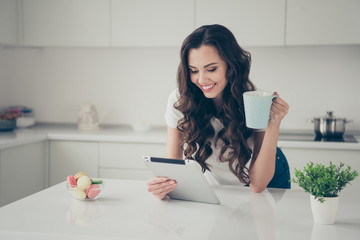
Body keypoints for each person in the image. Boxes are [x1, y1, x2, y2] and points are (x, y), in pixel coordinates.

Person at [146, 24, 289, 200]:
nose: (201, 79)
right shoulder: (181, 100)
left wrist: (274, 124)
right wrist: (164, 186)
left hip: (266, 172)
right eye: (193, 70)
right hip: (220, 180)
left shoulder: (254, 102)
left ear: (231, 66)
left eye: (211, 69)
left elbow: (257, 184)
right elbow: (174, 167)